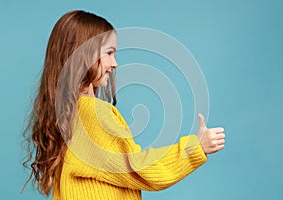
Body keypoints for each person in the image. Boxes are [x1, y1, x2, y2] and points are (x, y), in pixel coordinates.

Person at [22, 10, 226, 200]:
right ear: (84, 54)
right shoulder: (94, 114)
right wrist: (197, 147)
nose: (115, 63)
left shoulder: (66, 115)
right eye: (109, 53)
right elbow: (138, 168)